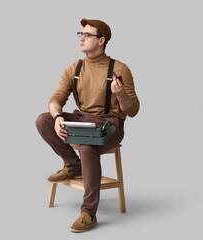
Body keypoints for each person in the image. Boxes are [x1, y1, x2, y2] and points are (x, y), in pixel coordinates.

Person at [35, 18, 139, 232]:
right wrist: (57, 118)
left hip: (109, 125)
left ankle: (88, 213)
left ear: (101, 41)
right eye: (80, 34)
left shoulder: (119, 68)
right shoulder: (75, 68)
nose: (81, 38)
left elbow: (133, 110)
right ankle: (73, 165)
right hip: (83, 120)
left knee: (87, 146)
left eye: (88, 35)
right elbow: (56, 99)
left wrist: (121, 96)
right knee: (43, 119)